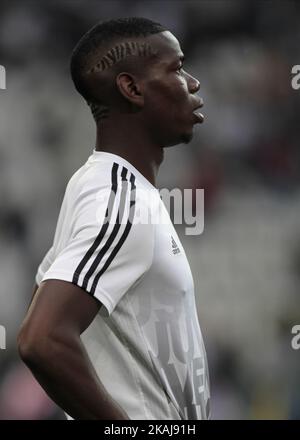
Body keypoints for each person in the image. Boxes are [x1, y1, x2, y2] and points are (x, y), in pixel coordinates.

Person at [17, 17, 210, 420]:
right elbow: (42, 339)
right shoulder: (120, 198)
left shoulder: (105, 187)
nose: (192, 83)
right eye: (175, 69)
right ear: (131, 88)